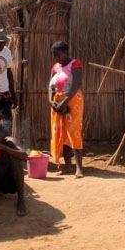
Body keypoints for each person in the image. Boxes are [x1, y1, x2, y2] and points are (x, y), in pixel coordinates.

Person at [48, 41, 84, 178]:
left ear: (65, 52)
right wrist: (51, 101)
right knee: (61, 132)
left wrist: (65, 101)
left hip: (72, 100)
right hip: (57, 102)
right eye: (54, 55)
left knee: (73, 132)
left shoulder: (75, 64)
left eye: (57, 54)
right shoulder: (55, 67)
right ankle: (67, 166)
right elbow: (50, 86)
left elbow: (76, 84)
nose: (55, 57)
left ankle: (79, 168)